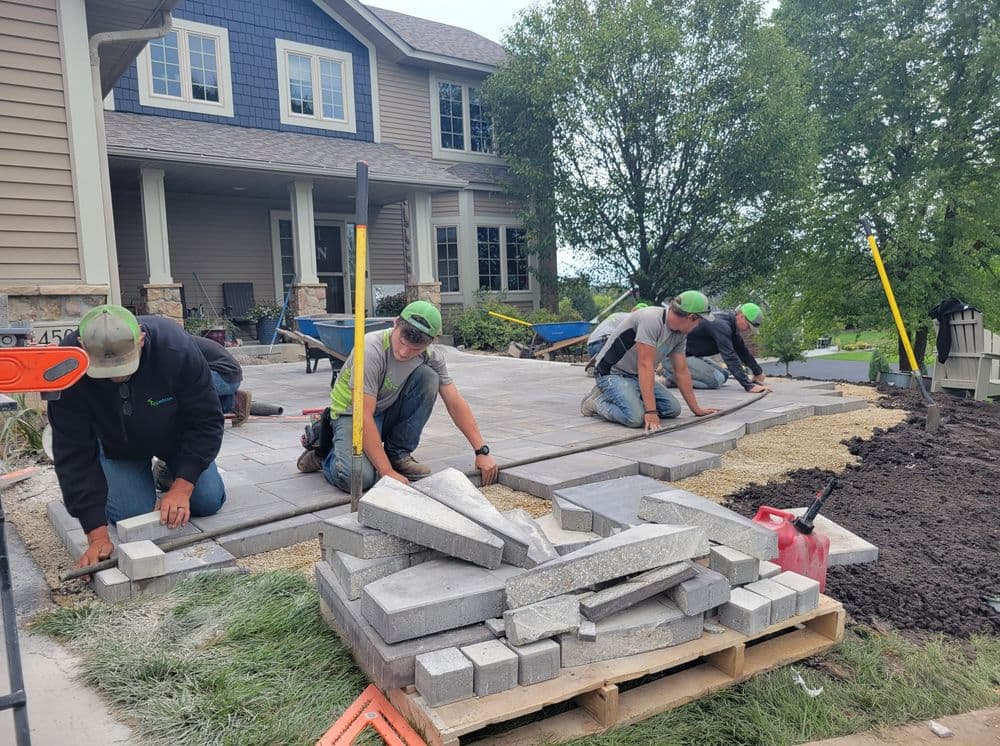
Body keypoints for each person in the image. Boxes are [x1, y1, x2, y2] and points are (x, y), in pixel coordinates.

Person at [49, 305, 227, 573]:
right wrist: (96, 536)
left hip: (176, 440)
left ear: (141, 339)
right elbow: (72, 451)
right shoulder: (66, 366)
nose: (116, 376)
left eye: (124, 365)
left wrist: (182, 487)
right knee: (131, 516)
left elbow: (207, 421)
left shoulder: (175, 348)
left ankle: (168, 472)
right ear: (83, 348)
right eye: (105, 369)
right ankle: (136, 474)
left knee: (207, 501)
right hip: (118, 447)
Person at [298, 300, 500, 491]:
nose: (404, 352)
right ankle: (324, 452)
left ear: (429, 343)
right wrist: (386, 472)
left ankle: (397, 454)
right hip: (350, 414)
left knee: (429, 377)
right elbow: (363, 416)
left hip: (384, 410)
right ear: (395, 323)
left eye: (415, 349)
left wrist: (481, 451)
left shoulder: (431, 356)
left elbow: (455, 403)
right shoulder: (371, 350)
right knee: (357, 479)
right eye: (402, 341)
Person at [581, 291, 720, 431]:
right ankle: (595, 402)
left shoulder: (680, 335)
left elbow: (681, 372)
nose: (698, 326)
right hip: (611, 373)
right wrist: (651, 412)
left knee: (672, 409)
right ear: (691, 317)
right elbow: (645, 365)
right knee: (635, 418)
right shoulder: (651, 319)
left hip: (635, 376)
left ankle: (630, 399)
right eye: (699, 321)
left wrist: (696, 409)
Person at [662, 302, 769, 393]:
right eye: (749, 326)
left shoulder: (731, 327)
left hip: (691, 356)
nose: (748, 330)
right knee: (716, 380)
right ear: (741, 316)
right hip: (674, 357)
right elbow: (730, 357)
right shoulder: (721, 325)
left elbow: (743, 352)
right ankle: (672, 377)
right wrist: (749, 386)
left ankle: (678, 373)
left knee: (725, 375)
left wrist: (758, 373)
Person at [191, 335, 253, 425]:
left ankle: (234, 400)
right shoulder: (180, 340)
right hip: (230, 377)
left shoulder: (179, 345)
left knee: (185, 384)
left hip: (224, 377)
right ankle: (236, 401)